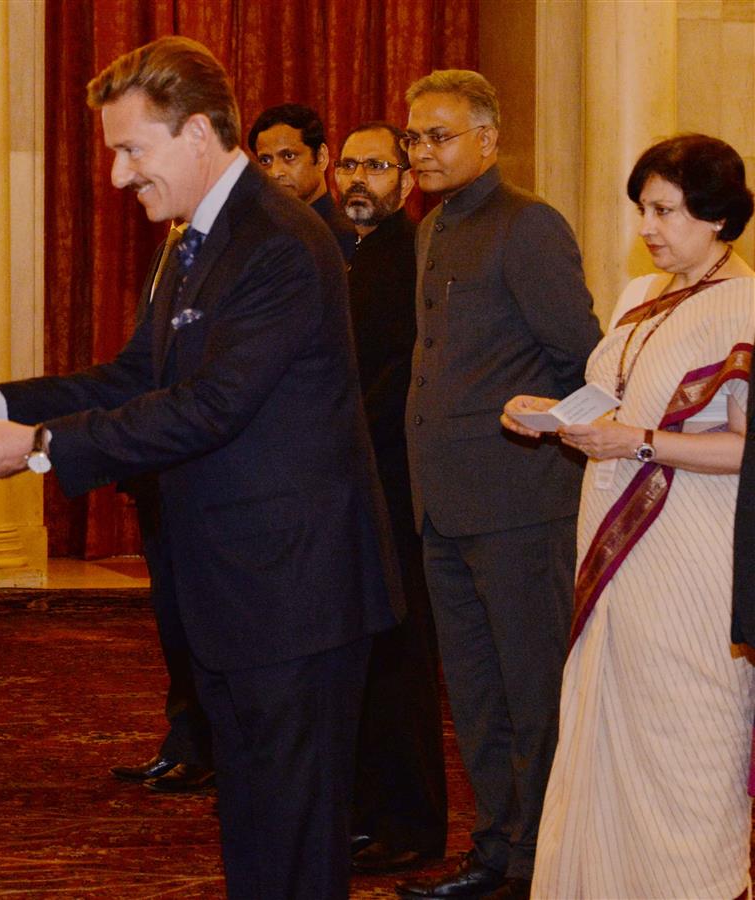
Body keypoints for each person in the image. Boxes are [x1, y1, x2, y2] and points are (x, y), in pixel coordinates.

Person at [0, 36, 401, 899]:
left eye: (131, 149)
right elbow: (138, 375)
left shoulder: (280, 242)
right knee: (255, 819)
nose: (116, 175)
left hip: (295, 595)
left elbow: (213, 406)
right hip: (238, 588)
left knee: (292, 834)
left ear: (201, 133)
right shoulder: (198, 239)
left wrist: (38, 450)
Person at [503, 134, 755, 899]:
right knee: (606, 725)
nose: (647, 226)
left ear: (716, 217)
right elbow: (614, 404)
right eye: (642, 208)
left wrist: (637, 444)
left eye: (665, 210)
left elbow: (746, 449)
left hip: (694, 559)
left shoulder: (746, 305)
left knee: (685, 738)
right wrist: (551, 414)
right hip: (612, 544)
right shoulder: (637, 296)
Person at [394, 70, 601, 900]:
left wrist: (545, 424)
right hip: (441, 503)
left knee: (531, 687)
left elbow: (582, 359)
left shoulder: (529, 225)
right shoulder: (432, 228)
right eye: (414, 138)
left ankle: (541, 857)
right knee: (476, 695)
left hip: (520, 502)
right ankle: (495, 852)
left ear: (487, 138)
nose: (423, 152)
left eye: (439, 136)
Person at [334, 122, 447, 875]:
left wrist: (341, 445)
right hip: (356, 487)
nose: (358, 180)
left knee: (403, 664)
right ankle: (374, 815)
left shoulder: (411, 257)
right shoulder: (353, 255)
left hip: (396, 487)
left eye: (376, 166)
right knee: (367, 662)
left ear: (405, 181)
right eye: (348, 165)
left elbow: (398, 377)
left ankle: (409, 827)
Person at [109, 229, 215, 795]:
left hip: (202, 470)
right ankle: (185, 741)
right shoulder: (172, 246)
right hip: (159, 467)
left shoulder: (244, 249)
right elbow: (141, 364)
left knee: (203, 619)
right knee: (174, 618)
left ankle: (209, 747)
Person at [247, 103, 357, 258]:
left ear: (321, 157)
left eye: (289, 156)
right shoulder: (258, 233)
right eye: (265, 160)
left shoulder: (341, 237)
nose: (275, 172)